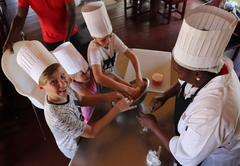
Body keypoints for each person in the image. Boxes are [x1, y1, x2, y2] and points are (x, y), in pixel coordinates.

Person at [136, 6, 240, 166]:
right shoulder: (212, 69)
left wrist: (154, 126)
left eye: (177, 72)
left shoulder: (212, 113)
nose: (178, 76)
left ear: (197, 73)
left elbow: (186, 155)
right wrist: (165, 95)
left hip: (215, 155)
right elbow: (186, 80)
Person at [17, 40, 136, 159]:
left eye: (62, 75)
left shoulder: (63, 90)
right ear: (42, 88)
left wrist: (108, 96)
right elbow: (92, 132)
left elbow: (79, 101)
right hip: (76, 147)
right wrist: (117, 109)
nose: (62, 83)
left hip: (82, 130)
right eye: (53, 82)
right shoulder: (57, 116)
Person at [81, 1, 145, 99]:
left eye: (110, 36)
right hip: (100, 83)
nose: (108, 41)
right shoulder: (94, 50)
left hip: (112, 74)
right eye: (103, 40)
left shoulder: (114, 38)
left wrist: (139, 77)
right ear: (93, 37)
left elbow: (132, 56)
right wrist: (126, 88)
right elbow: (99, 78)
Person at [53, 42, 122, 123]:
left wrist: (121, 83)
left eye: (88, 70)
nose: (88, 74)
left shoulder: (90, 73)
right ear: (72, 77)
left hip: (100, 105)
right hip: (90, 114)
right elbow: (90, 97)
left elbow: (109, 75)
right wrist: (111, 96)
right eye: (83, 74)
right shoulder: (74, 86)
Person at [3, 0, 82, 55]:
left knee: (80, 69)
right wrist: (10, 39)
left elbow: (71, 12)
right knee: (61, 71)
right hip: (51, 39)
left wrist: (67, 39)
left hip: (71, 35)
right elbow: (20, 17)